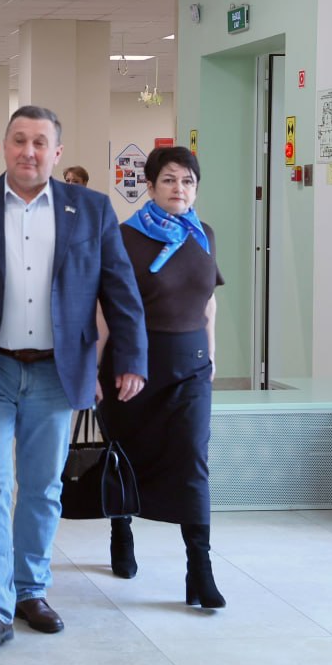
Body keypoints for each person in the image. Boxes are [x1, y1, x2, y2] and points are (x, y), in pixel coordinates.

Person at [0, 105, 147, 654]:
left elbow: (120, 289)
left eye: (40, 142)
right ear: (4, 146)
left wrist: (132, 358)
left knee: (43, 488)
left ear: (57, 152)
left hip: (56, 371)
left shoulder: (91, 209)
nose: (29, 151)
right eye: (19, 140)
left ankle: (30, 590)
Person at [97, 145, 226, 609]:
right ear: (149, 187)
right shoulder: (124, 237)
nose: (179, 189)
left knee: (192, 460)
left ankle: (200, 568)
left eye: (188, 181)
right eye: (169, 180)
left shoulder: (203, 235)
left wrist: (211, 355)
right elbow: (105, 309)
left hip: (190, 366)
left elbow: (208, 302)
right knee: (125, 455)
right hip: (132, 366)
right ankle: (121, 529)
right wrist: (95, 366)